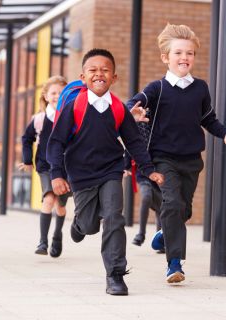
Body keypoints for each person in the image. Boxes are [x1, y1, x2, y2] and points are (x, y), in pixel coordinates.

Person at [46, 48, 164, 296]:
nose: (99, 74)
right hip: (80, 174)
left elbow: (133, 142)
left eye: (105, 70)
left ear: (114, 77)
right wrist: (57, 174)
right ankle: (79, 224)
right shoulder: (74, 106)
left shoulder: (118, 108)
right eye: (93, 70)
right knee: (89, 225)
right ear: (83, 76)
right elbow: (56, 142)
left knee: (113, 217)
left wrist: (148, 169)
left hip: (111, 170)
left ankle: (115, 275)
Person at [126, 23, 226, 283]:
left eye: (190, 53)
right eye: (179, 53)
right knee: (173, 204)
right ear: (165, 58)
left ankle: (163, 234)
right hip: (164, 158)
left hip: (192, 160)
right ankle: (174, 264)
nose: (185, 57)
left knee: (184, 211)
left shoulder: (201, 88)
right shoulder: (157, 88)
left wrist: (223, 133)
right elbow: (134, 103)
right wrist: (133, 112)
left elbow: (209, 119)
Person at [18, 75, 70, 258]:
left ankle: (57, 235)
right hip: (45, 166)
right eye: (53, 93)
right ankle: (43, 241)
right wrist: (27, 160)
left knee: (60, 206)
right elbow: (26, 139)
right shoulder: (39, 119)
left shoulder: (71, 117)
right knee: (49, 198)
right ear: (46, 96)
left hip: (66, 168)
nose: (57, 96)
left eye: (61, 93)